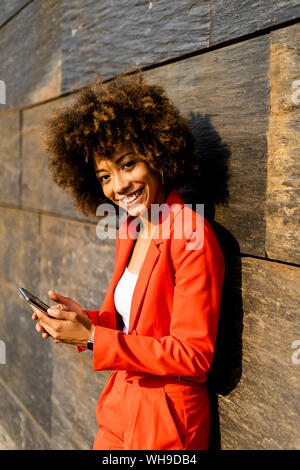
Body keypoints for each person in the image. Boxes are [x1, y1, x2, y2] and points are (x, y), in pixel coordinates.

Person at [31, 71, 225, 450]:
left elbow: (194, 356)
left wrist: (91, 337)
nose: (118, 186)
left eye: (127, 164)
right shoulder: (130, 231)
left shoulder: (191, 234)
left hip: (166, 423)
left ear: (158, 155)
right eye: (104, 175)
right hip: (120, 407)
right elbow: (133, 326)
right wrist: (85, 322)